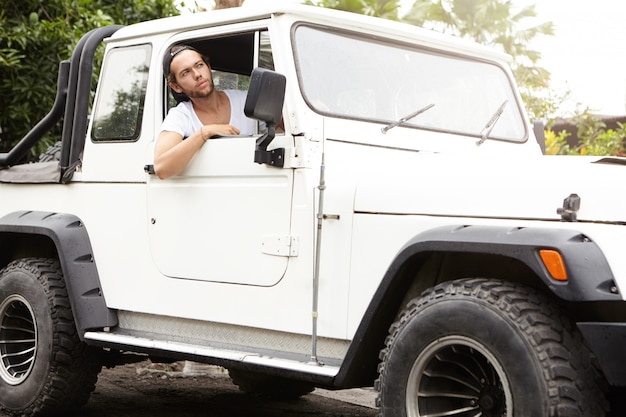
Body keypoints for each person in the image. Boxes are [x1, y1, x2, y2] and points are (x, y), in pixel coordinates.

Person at [153, 45, 257, 179]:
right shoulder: (182, 115)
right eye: (185, 72)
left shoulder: (246, 100)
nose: (197, 75)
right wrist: (204, 133)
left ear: (208, 67)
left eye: (199, 65)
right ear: (176, 86)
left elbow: (281, 127)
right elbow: (161, 169)